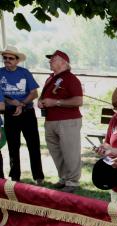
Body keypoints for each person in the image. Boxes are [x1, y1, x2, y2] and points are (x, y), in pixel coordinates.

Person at [38, 50, 83, 194]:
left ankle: (73, 181)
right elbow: (45, 96)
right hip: (51, 120)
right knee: (56, 152)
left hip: (68, 121)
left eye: (53, 59)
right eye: (50, 59)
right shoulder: (51, 78)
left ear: (64, 62)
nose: (50, 61)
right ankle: (64, 178)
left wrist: (56, 102)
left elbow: (78, 100)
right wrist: (40, 101)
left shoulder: (71, 78)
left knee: (70, 152)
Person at [0, 45, 44, 184]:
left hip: (27, 112)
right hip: (9, 113)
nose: (7, 60)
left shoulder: (24, 72)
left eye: (11, 58)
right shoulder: (0, 73)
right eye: (5, 58)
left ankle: (38, 176)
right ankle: (15, 177)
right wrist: (11, 102)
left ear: (17, 60)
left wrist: (21, 104)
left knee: (33, 144)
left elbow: (34, 93)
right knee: (13, 146)